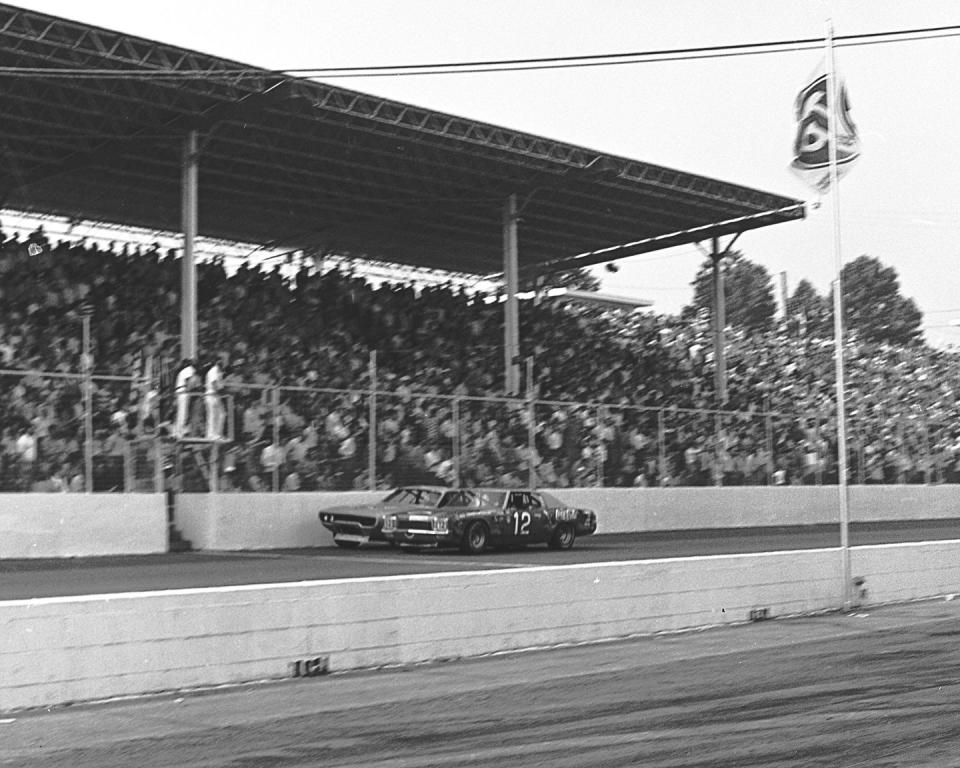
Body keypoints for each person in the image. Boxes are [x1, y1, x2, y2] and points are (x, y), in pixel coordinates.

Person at [173, 358, 198, 439]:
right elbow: (190, 381)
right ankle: (179, 434)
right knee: (182, 413)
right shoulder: (190, 369)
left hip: (179, 390)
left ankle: (177, 432)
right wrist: (190, 391)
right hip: (183, 391)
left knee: (180, 413)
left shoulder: (184, 370)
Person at [204, 356, 225, 441]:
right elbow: (214, 383)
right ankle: (211, 435)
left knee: (221, 414)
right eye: (219, 361)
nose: (221, 362)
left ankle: (218, 434)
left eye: (222, 361)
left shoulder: (219, 371)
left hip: (216, 395)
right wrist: (223, 390)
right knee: (212, 415)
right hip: (211, 394)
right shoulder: (214, 370)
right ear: (216, 362)